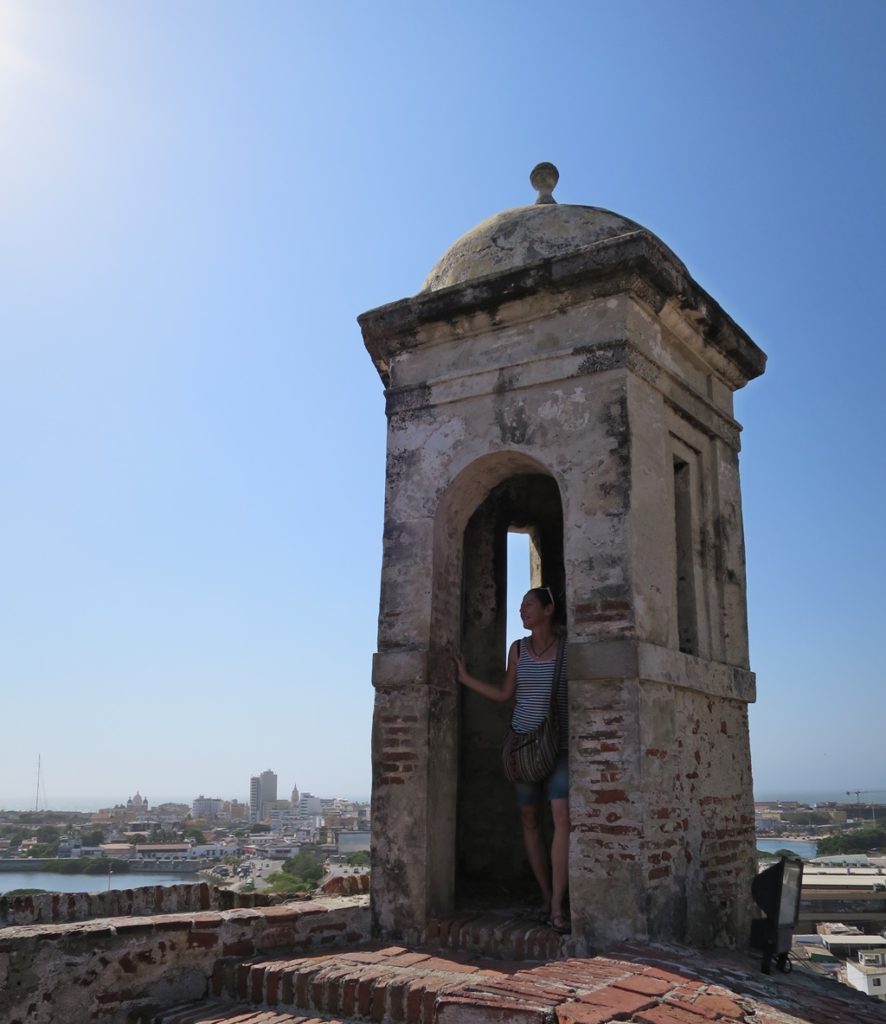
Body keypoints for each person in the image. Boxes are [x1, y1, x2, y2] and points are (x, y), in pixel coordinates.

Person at [455, 586, 570, 933]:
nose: (522, 611)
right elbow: (506, 693)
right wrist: (465, 679)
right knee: (530, 820)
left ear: (549, 609)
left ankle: (556, 906)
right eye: (520, 607)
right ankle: (545, 892)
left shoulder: (566, 649)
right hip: (522, 745)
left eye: (529, 605)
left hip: (559, 744)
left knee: (562, 817)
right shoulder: (518, 649)